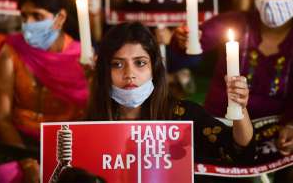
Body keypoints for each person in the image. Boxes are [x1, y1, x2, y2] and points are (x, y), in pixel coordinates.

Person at [88, 22, 255, 182]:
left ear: (154, 68)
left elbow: (238, 153)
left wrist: (239, 107)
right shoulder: (90, 127)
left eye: (140, 63)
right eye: (117, 64)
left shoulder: (185, 117)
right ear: (104, 71)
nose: (129, 74)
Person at [174, 0, 293, 153]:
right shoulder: (237, 22)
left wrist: (290, 125)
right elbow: (194, 42)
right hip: (221, 127)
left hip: (275, 134)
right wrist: (185, 38)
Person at [0, 0, 90, 182]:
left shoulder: (84, 59)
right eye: (25, 16)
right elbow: (1, 118)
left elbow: (91, 118)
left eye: (38, 16)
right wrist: (27, 162)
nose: (29, 24)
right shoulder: (11, 51)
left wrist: (94, 79)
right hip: (19, 144)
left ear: (60, 18)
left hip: (67, 148)